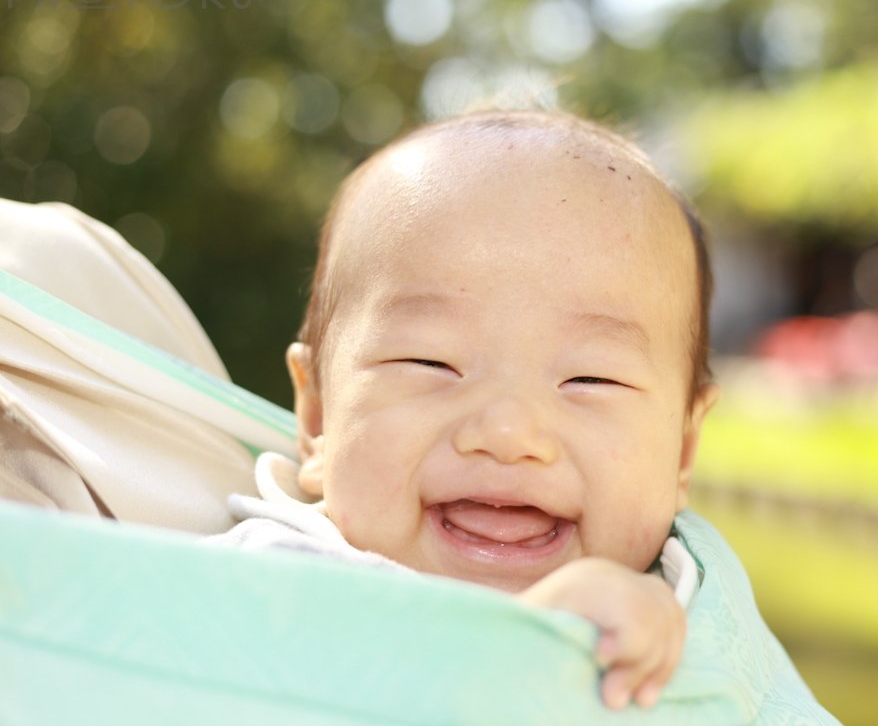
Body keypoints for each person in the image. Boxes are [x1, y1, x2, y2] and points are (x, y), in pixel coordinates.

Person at [210, 108, 722, 711]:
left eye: (591, 378)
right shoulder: (266, 586)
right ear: (319, 420)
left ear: (683, 451)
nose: (507, 432)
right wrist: (523, 648)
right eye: (431, 363)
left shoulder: (705, 616)